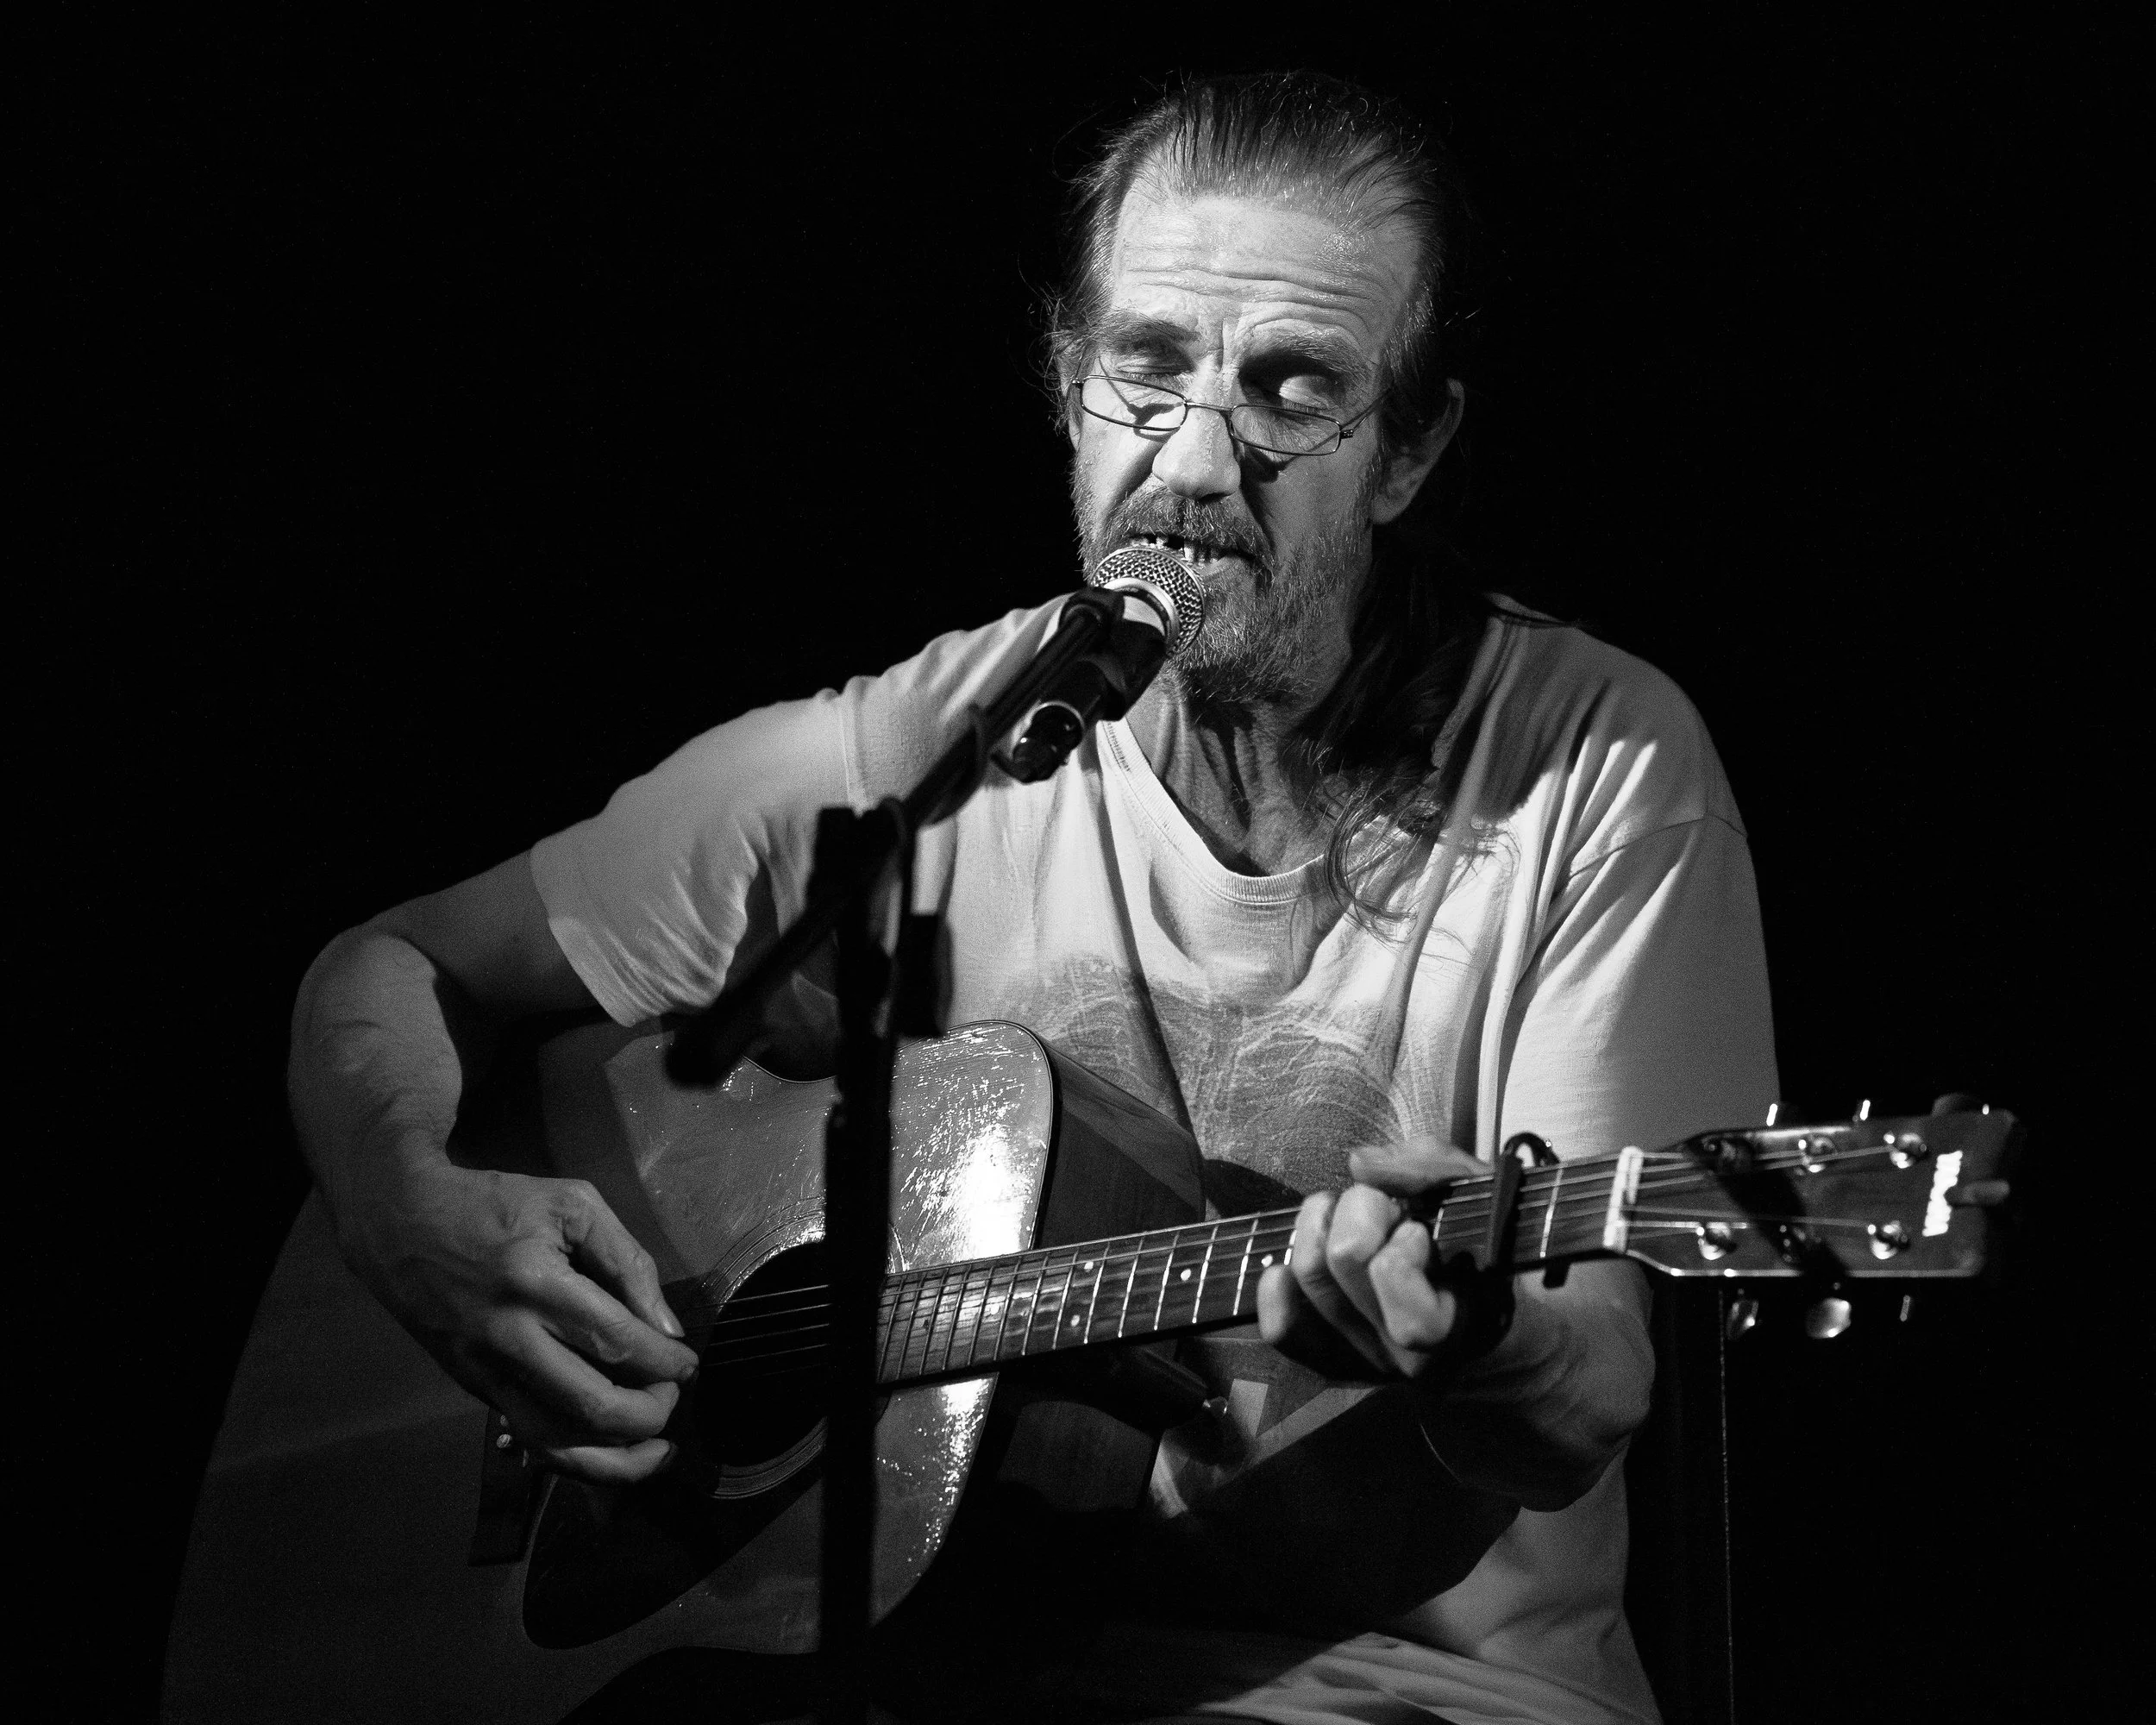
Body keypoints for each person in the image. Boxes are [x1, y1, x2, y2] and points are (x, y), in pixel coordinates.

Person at [288, 72, 1776, 1725]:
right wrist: (411, 1209)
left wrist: (1475, 1340)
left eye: (1294, 393)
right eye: (1150, 370)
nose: (1199, 465)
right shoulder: (928, 747)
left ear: (1410, 449)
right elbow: (391, 968)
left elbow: (1593, 1385)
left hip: (1412, 1695)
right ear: (1071, 385)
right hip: (931, 1665)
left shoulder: (1592, 763)